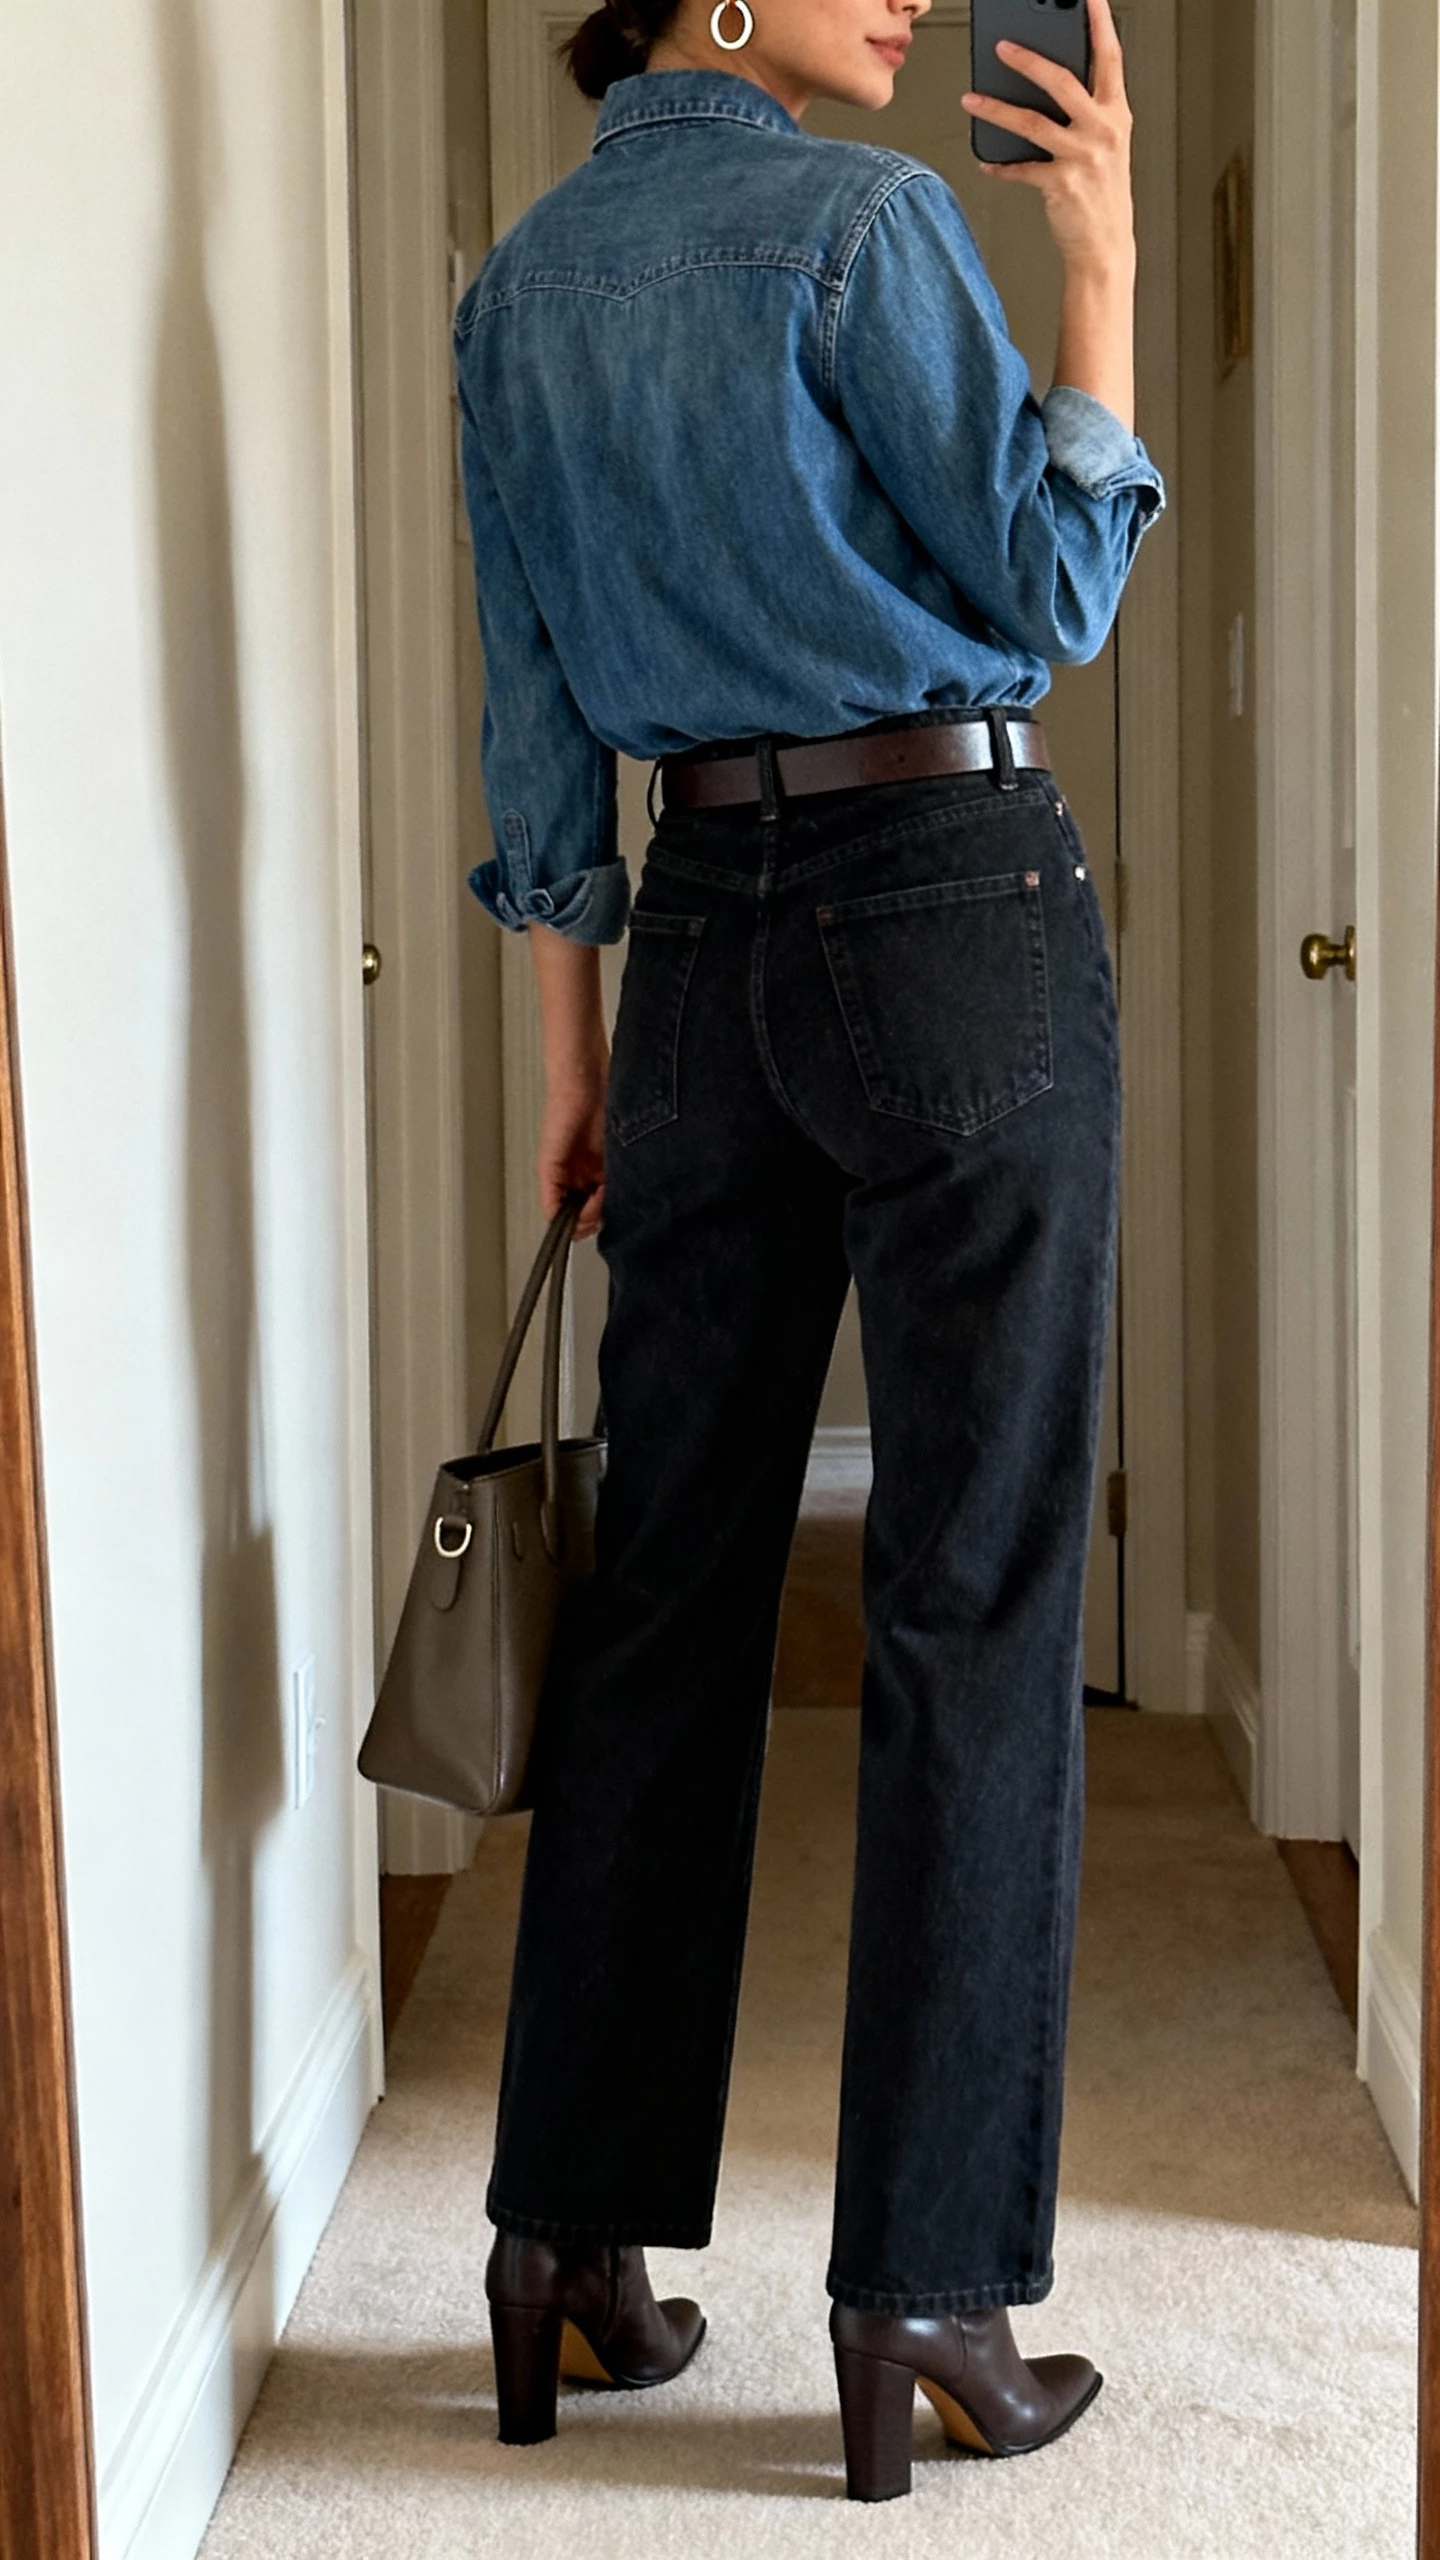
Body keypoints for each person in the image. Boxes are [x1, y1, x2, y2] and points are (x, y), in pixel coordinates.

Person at [454, 0, 1163, 2502]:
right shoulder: (867, 226)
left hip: (690, 952)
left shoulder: (517, 294)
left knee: (668, 1590)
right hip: (946, 895)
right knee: (976, 1597)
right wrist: (1094, 274)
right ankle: (928, 2291)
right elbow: (1049, 574)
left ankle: (564, 2237)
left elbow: (540, 739)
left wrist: (576, 1069)